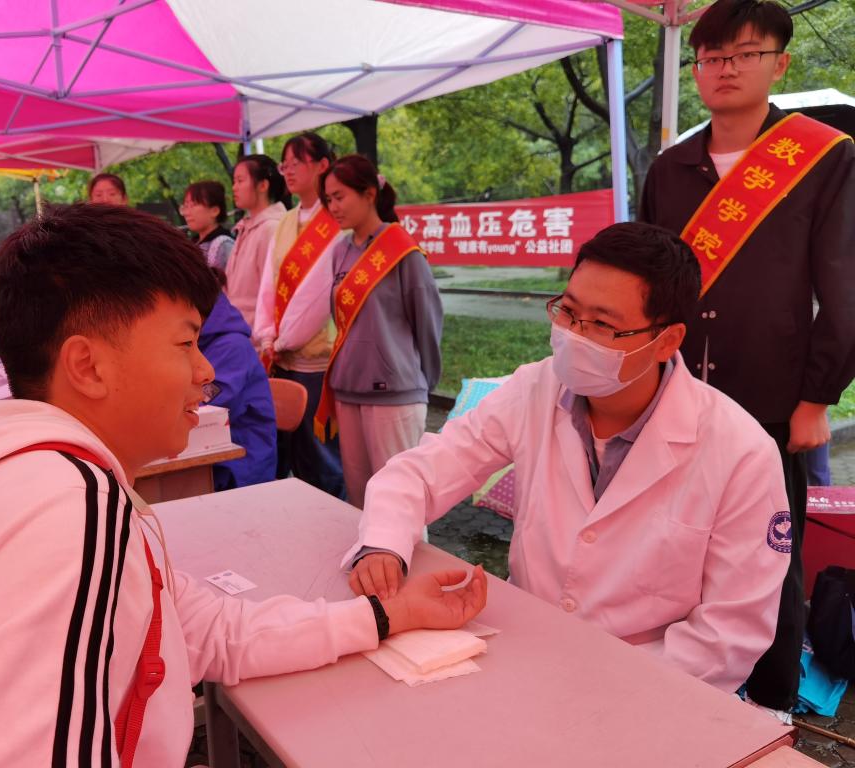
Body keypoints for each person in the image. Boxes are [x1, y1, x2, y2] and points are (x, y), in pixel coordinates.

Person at [0, 203, 488, 766]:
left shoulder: (35, 482)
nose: (206, 370)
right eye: (186, 343)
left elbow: (209, 631)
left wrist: (389, 614)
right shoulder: (70, 518)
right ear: (88, 366)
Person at [343, 222, 792, 695]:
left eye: (602, 324)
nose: (575, 336)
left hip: (651, 683)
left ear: (666, 340)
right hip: (525, 647)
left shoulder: (740, 452)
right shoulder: (535, 388)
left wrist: (604, 689)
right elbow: (423, 471)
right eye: (568, 312)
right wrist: (383, 544)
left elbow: (728, 636)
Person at [638, 0, 855, 714]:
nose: (725, 68)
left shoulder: (824, 157)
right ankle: (678, 685)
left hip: (770, 401)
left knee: (769, 558)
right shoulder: (671, 169)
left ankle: (769, 702)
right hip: (672, 395)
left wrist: (817, 398)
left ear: (779, 63)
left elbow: (846, 287)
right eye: (711, 56)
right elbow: (644, 282)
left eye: (744, 54)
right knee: (672, 545)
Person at [311, 154, 443, 508]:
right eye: (328, 199)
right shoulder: (340, 251)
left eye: (340, 197)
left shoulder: (402, 250)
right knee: (360, 500)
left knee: (399, 501)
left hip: (395, 393)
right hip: (347, 389)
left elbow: (428, 322)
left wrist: (420, 380)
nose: (333, 207)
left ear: (369, 193)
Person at [251, 133, 347, 499]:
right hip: (280, 355)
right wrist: (266, 334)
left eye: (297, 163)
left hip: (320, 359)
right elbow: (268, 284)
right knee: (292, 459)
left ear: (322, 165)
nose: (288, 171)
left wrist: (282, 339)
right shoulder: (287, 221)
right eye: (284, 164)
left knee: (323, 461)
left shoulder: (337, 220)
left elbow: (317, 297)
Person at [199, 276, 277, 490]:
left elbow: (204, 404)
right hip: (212, 454)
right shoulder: (202, 341)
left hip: (241, 465)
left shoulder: (233, 347)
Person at [224, 155, 288, 334]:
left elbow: (272, 292)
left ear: (263, 185)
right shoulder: (246, 227)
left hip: (257, 336)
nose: (234, 187)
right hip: (240, 332)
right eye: (234, 181)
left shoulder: (271, 228)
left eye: (240, 181)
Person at [181, 180, 235, 271]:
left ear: (214, 211)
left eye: (193, 205)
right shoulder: (192, 245)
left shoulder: (224, 245)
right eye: (186, 206)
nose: (187, 213)